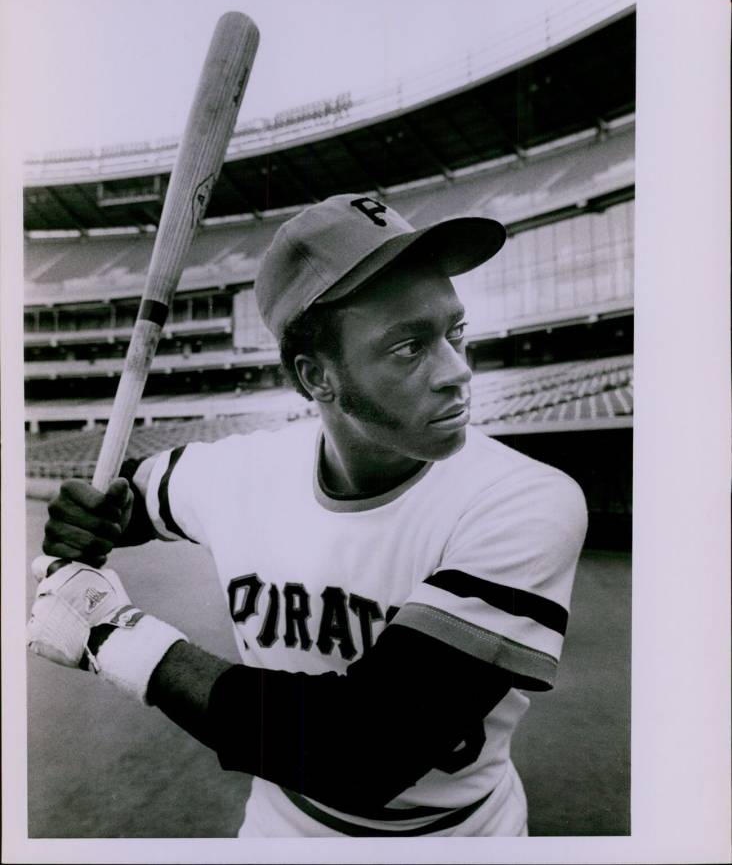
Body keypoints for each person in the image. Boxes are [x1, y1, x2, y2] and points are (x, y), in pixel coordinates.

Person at [28, 194, 588, 837]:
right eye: (409, 347)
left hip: (459, 834)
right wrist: (88, 518)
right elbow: (125, 499)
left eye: (455, 332)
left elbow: (366, 749)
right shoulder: (237, 471)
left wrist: (111, 635)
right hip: (279, 826)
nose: (458, 371)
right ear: (318, 377)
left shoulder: (524, 498)